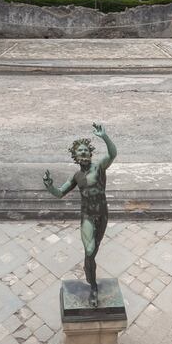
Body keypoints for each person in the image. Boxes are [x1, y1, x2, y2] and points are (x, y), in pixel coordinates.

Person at [43, 122, 117, 307]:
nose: (83, 153)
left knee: (94, 251)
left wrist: (105, 137)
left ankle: (90, 273)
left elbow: (113, 154)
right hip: (87, 216)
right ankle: (92, 286)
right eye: (79, 151)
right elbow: (60, 193)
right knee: (90, 251)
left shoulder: (99, 167)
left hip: (102, 214)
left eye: (85, 150)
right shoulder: (76, 176)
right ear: (75, 157)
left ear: (90, 153)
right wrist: (50, 186)